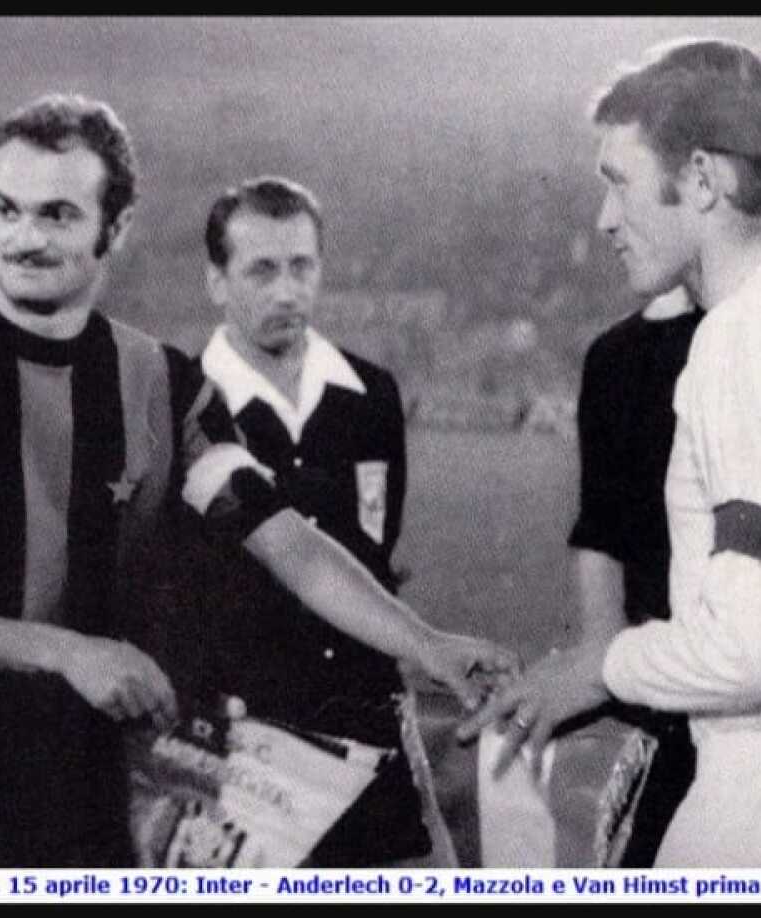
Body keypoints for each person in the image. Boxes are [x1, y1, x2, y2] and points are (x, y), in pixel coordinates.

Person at [0, 93, 513, 868]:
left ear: (116, 227)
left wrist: (427, 644)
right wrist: (69, 653)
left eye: (58, 215)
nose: (24, 239)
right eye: (6, 210)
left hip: (86, 779)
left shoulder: (163, 384)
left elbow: (287, 544)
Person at [460, 38, 761, 866]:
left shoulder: (749, 330)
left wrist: (603, 665)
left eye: (619, 181)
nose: (605, 219)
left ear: (703, 179)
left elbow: (750, 648)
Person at [168, 175, 451, 866]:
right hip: (242, 749)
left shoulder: (372, 394)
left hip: (367, 733)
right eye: (262, 270)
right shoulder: (182, 403)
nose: (287, 291)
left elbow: (375, 551)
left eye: (302, 267)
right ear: (216, 281)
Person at [566, 283, 702, 866]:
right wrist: (600, 662)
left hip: (755, 703)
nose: (611, 234)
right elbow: (599, 531)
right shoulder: (614, 355)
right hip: (656, 700)